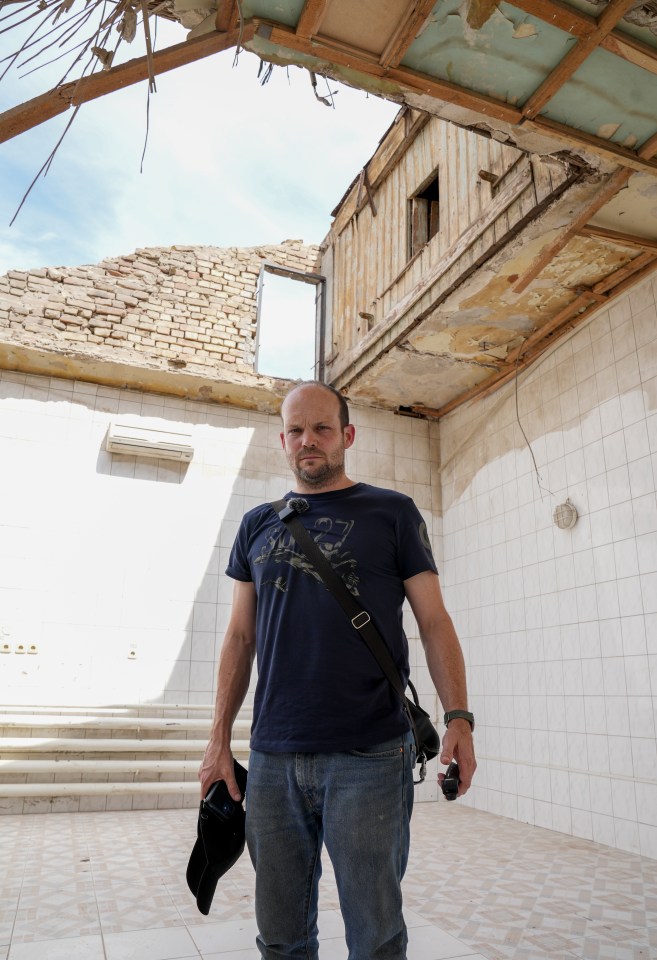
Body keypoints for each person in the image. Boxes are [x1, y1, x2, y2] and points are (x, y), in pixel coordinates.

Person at [199, 380, 476, 960]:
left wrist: (459, 718)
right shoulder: (256, 525)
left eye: (322, 428)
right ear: (283, 440)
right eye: (296, 431)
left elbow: (433, 621)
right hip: (274, 757)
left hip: (371, 754)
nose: (309, 441)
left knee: (375, 937)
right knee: (280, 937)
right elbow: (239, 636)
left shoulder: (392, 513)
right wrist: (218, 740)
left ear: (346, 436)